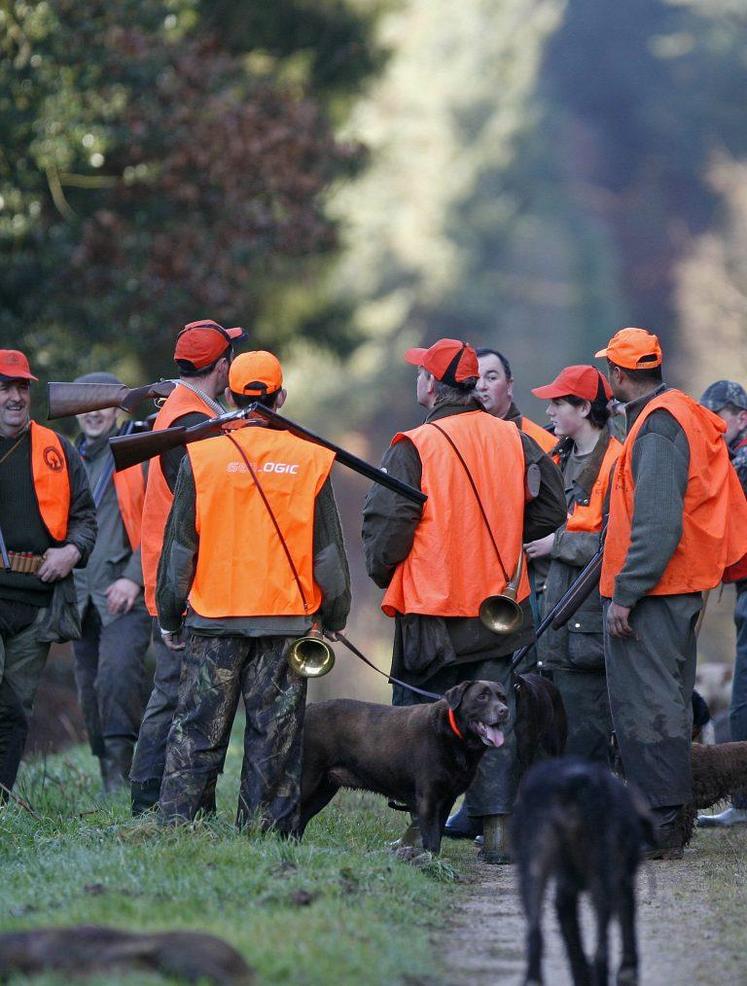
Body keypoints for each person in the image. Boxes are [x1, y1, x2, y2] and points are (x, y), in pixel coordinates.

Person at [362, 338, 566, 861]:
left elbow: (387, 526)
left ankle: (418, 833)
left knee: (420, 723)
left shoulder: (414, 445)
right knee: (495, 714)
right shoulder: (515, 438)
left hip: (430, 608)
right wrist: (508, 536)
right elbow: (552, 509)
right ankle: (498, 834)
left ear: (432, 384)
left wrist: (383, 570)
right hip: (498, 609)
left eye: (421, 373)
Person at [157, 351, 351, 830]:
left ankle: (180, 827)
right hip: (285, 623)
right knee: (275, 737)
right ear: (281, 398)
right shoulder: (310, 459)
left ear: (229, 395)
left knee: (197, 729)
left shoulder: (201, 458)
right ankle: (265, 832)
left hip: (213, 620)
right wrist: (335, 614)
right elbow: (328, 554)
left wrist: (169, 614)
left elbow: (180, 549)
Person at [596, 328, 747, 858]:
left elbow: (657, 524)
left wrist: (626, 592)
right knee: (669, 701)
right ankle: (669, 822)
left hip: (656, 593)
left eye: (609, 371)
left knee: (650, 706)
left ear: (618, 374)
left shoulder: (659, 427)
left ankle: (658, 826)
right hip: (676, 586)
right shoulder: (675, 412)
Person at [130, 319, 246, 815]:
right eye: (230, 359)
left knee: (185, 693)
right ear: (221, 366)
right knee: (172, 693)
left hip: (182, 577)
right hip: (179, 581)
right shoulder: (188, 421)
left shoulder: (190, 411)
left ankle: (182, 802)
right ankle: (148, 799)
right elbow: (203, 505)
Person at [0, 350, 96, 799]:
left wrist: (72, 551)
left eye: (22, 387)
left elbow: (86, 518)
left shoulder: (57, 448)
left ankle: (2, 798)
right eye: (5, 387)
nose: (15, 396)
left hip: (37, 601)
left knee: (15, 707)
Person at [525, 365, 622, 762]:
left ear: (583, 408)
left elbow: (618, 543)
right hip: (551, 622)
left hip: (586, 625)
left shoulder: (617, 462)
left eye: (557, 403)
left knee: (586, 743)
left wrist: (556, 543)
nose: (548, 412)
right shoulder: (556, 458)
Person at [72, 372, 152, 792]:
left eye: (102, 405)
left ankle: (122, 779)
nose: (93, 414)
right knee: (89, 689)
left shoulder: (134, 452)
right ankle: (108, 774)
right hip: (78, 595)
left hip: (124, 593)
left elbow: (157, 520)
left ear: (118, 409)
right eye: (84, 405)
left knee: (118, 678)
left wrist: (133, 579)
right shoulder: (66, 459)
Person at [697, 380, 747, 828]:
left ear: (741, 417)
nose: (711, 427)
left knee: (744, 691)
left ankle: (744, 802)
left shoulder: (739, 463)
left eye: (718, 418)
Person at [475, 348, 557, 453]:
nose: (481, 386)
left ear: (509, 386)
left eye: (491, 378)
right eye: (475, 379)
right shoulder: (457, 437)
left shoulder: (543, 443)